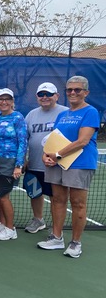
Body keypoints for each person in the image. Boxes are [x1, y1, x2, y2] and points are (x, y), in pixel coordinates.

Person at [38, 76, 99, 258]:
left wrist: (57, 155)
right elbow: (52, 139)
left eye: (77, 90)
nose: (72, 93)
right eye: (69, 90)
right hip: (57, 164)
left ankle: (75, 243)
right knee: (57, 200)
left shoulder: (90, 112)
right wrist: (46, 155)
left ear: (85, 93)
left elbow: (83, 141)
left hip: (80, 163)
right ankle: (57, 238)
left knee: (78, 203)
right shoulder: (62, 115)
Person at [23, 83, 68, 233]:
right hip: (35, 164)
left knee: (56, 198)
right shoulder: (31, 115)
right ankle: (38, 220)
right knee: (35, 194)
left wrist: (58, 157)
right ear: (37, 97)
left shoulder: (66, 113)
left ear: (57, 96)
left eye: (48, 94)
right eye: (41, 94)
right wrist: (24, 160)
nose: (45, 97)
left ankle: (56, 228)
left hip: (56, 165)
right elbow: (25, 139)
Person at [0, 88, 27, 241]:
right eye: (0, 99)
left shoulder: (18, 118)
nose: (4, 102)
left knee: (3, 196)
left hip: (9, 161)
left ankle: (10, 228)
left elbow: (23, 142)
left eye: (7, 99)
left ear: (12, 102)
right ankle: (2, 223)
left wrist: (18, 165)